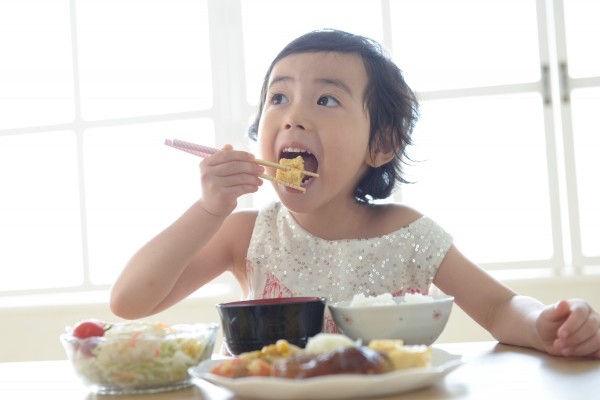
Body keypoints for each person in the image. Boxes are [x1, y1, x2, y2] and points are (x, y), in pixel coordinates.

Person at [110, 29, 600, 358]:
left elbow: (498, 308)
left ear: (381, 144)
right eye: (278, 97)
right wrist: (207, 209)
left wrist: (546, 324)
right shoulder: (245, 233)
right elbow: (130, 301)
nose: (293, 116)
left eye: (326, 99)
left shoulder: (408, 233)